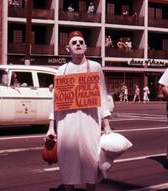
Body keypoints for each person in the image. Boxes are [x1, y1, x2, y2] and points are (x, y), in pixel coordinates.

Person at [45, 31, 112, 191]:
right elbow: (55, 100)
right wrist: (51, 127)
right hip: (67, 122)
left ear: (86, 47)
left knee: (91, 158)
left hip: (91, 121)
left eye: (81, 42)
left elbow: (102, 96)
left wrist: (107, 125)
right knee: (68, 159)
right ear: (68, 48)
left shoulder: (95, 67)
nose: (78, 45)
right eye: (74, 42)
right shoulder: (62, 70)